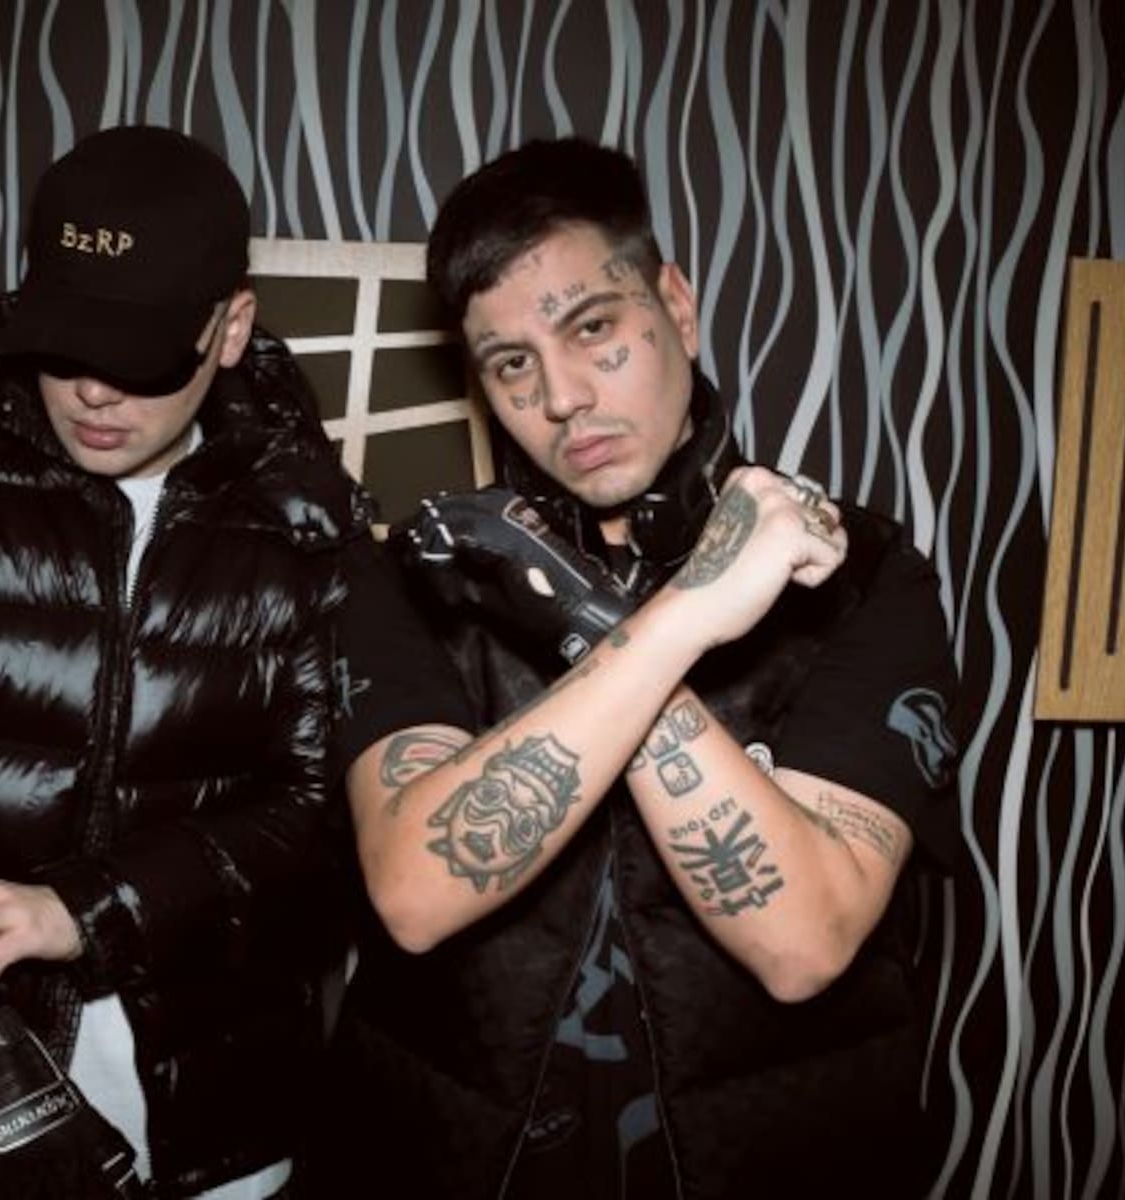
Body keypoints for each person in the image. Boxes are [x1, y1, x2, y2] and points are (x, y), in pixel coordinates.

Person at [315, 136, 963, 1199]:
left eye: (594, 329)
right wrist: (677, 616)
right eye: (511, 363)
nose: (562, 397)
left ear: (677, 305)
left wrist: (596, 618)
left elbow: (803, 943)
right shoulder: (418, 578)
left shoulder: (860, 574)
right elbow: (416, 894)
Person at [0, 125, 375, 1198]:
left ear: (230, 327)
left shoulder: (307, 527)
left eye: (136, 354)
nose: (92, 393)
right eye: (65, 343)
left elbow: (321, 817)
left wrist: (85, 909)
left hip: (215, 1108)